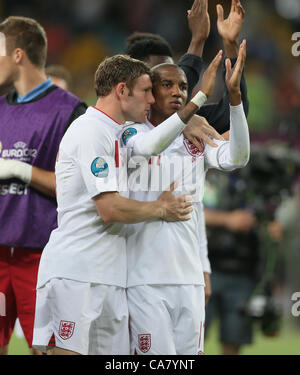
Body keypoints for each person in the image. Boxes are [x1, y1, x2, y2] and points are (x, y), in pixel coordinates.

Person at [32, 52, 226, 355]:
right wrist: (161, 208)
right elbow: (109, 209)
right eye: (146, 91)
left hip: (112, 276)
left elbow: (154, 140)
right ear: (122, 91)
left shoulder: (120, 133)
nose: (152, 100)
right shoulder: (90, 130)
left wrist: (186, 118)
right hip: (77, 271)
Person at [121, 39, 249, 355]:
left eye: (182, 85)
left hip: (189, 279)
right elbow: (151, 146)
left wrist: (234, 100)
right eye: (168, 85)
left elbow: (237, 158)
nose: (178, 91)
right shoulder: (130, 133)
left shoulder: (195, 137)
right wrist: (201, 97)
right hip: (145, 280)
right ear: (149, 92)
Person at [0, 16, 87, 355]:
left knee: (46, 350)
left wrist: (19, 170)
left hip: (42, 257)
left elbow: (79, 188)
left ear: (18, 55)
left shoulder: (71, 112)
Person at [125, 0, 249, 134]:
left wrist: (229, 44)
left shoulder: (191, 120)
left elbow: (232, 116)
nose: (175, 91)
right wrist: (197, 40)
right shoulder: (123, 125)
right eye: (163, 81)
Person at [203, 169, 260, 355]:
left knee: (234, 339)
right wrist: (228, 220)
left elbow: (264, 214)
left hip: (242, 269)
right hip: (206, 267)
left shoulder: (253, 179)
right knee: (192, 335)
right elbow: (191, 211)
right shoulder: (206, 174)